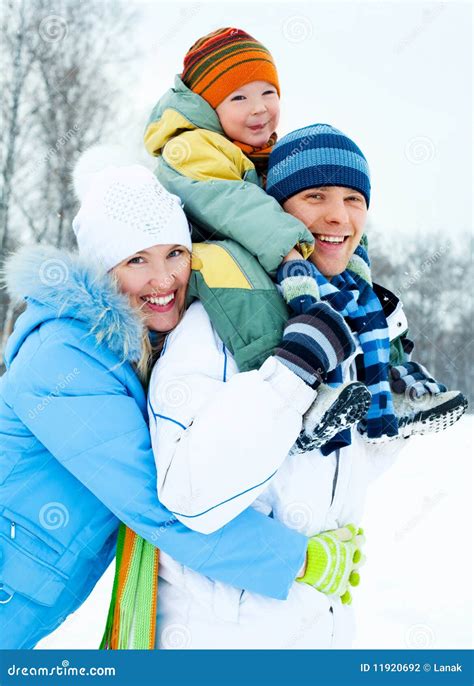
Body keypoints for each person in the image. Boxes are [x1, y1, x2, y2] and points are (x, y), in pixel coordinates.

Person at [0, 157, 358, 650]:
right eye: (136, 260)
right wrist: (298, 559)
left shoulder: (131, 349)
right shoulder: (62, 362)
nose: (164, 278)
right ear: (104, 270)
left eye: (174, 252)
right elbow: (158, 503)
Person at [146, 127, 416, 649]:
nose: (338, 216)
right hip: (221, 641)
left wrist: (397, 408)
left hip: (323, 630)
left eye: (353, 199)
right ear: (279, 213)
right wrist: (290, 372)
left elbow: (339, 470)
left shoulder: (355, 320)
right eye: (315, 196)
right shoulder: (219, 320)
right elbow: (189, 495)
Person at [144, 27, 466, 445]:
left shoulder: (254, 148)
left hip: (263, 249)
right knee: (241, 282)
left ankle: (388, 383)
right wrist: (291, 248)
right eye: (238, 97)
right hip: (209, 263)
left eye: (268, 93)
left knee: (361, 286)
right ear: (206, 103)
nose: (258, 108)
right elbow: (231, 203)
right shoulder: (189, 147)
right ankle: (293, 390)